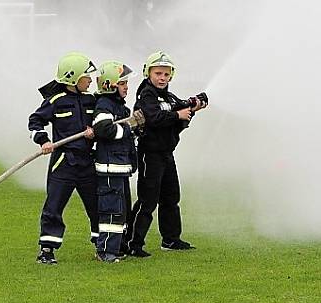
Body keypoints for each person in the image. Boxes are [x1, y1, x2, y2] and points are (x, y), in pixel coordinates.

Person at [126, 51, 208, 257]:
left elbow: (179, 109)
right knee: (148, 200)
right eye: (158, 73)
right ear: (148, 73)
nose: (162, 78)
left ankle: (171, 239)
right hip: (149, 154)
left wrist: (194, 105)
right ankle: (133, 243)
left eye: (166, 74)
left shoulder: (168, 97)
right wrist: (177, 114)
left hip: (166, 154)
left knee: (171, 197)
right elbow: (154, 118)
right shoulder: (146, 95)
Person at [29, 52, 99, 265]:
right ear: (73, 78)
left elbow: (102, 122)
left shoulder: (91, 100)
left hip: (87, 161)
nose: (90, 80)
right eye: (86, 77)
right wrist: (43, 141)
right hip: (63, 163)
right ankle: (47, 250)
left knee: (96, 205)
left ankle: (102, 245)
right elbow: (35, 121)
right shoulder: (56, 101)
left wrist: (95, 131)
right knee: (54, 206)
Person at [92, 60, 139, 263]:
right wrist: (129, 128)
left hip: (120, 168)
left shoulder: (120, 108)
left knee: (121, 211)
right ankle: (105, 251)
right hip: (110, 169)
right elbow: (104, 129)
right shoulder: (104, 105)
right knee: (111, 212)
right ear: (110, 85)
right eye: (122, 84)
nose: (126, 87)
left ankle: (118, 247)